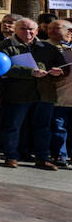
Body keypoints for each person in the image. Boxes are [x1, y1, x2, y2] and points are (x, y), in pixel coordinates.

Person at [0, 17, 64, 169]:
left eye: (31, 29)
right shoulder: (4, 46)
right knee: (13, 126)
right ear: (16, 30)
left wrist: (59, 72)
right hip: (17, 95)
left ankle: (42, 158)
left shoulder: (46, 47)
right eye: (23, 29)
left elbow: (63, 67)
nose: (28, 32)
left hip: (44, 94)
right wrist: (30, 72)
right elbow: (1, 67)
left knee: (43, 127)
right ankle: (11, 156)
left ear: (37, 31)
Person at [47, 19, 72, 168]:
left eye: (56, 29)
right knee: (58, 129)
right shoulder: (44, 47)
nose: (51, 31)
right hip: (58, 97)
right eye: (50, 28)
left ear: (69, 31)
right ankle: (60, 156)